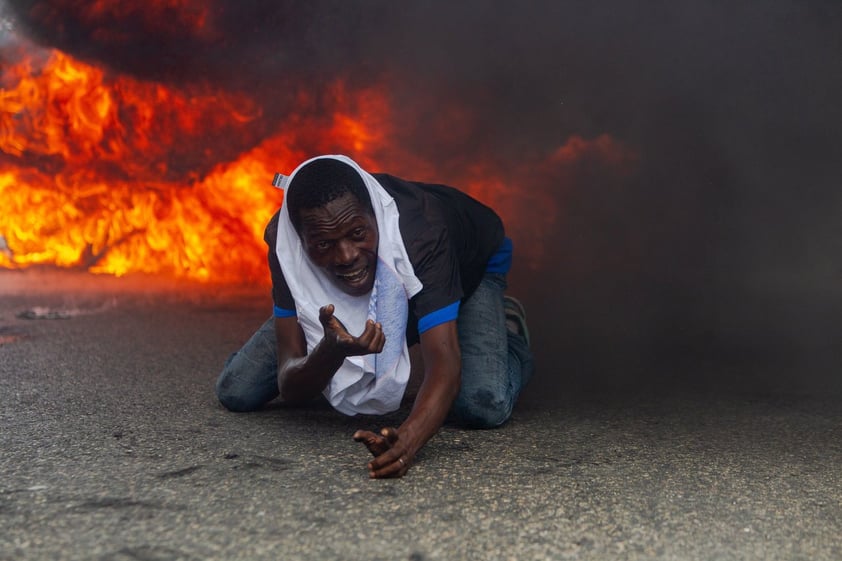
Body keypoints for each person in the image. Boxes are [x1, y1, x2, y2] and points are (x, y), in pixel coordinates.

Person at [215, 155, 533, 478]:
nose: (346, 256)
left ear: (374, 216)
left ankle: (509, 331)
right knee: (236, 390)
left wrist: (406, 443)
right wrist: (329, 351)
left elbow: (444, 365)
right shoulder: (283, 242)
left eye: (357, 233)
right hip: (344, 295)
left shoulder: (423, 232)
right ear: (301, 241)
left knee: (483, 405)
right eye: (324, 243)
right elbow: (292, 388)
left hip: (465, 271)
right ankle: (321, 321)